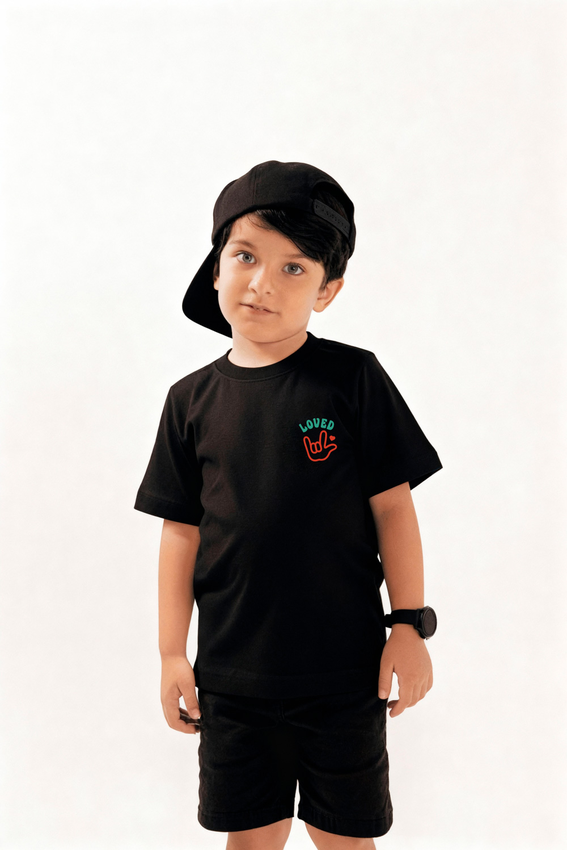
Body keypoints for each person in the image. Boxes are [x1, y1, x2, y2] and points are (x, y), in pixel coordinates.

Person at [134, 160, 442, 849]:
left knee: (345, 838)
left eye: (294, 267)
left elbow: (394, 510)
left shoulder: (353, 379)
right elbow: (180, 534)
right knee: (249, 839)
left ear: (327, 290)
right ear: (216, 266)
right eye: (245, 256)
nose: (262, 283)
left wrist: (408, 626)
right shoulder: (189, 402)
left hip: (344, 675)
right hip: (232, 681)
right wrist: (171, 654)